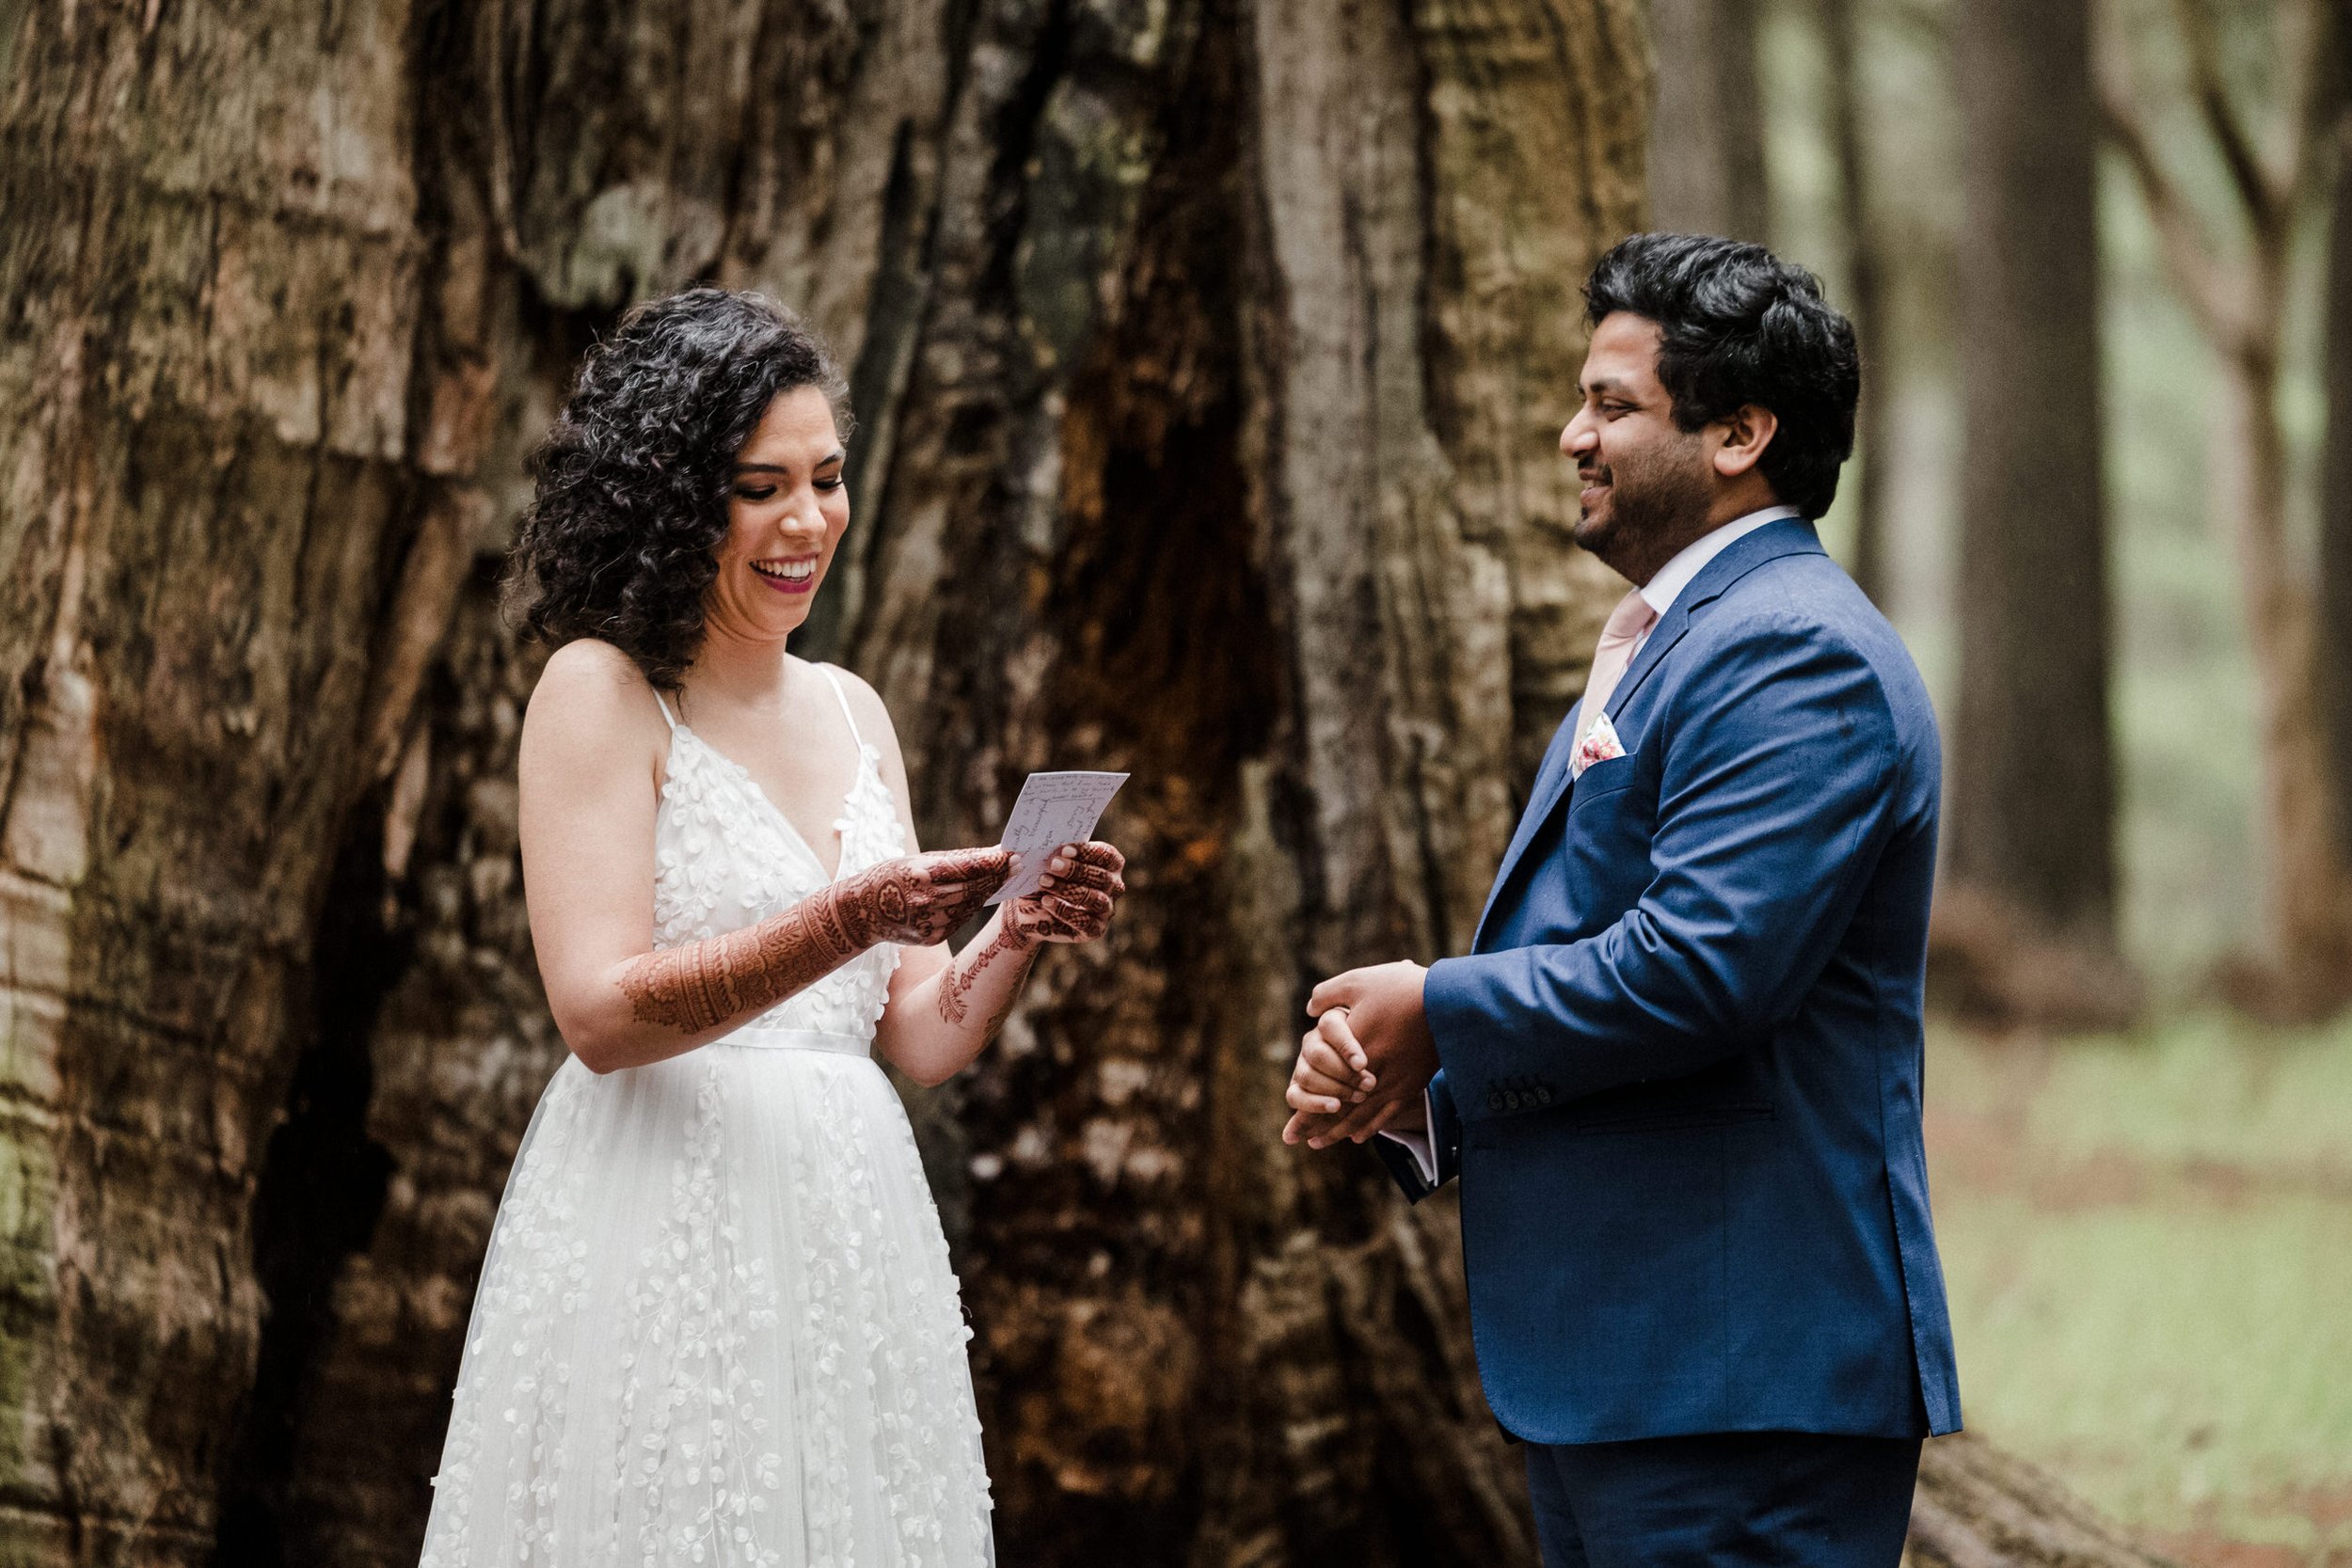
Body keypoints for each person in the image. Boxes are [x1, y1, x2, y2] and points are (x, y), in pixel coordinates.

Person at [417, 288, 1124, 1567]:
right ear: (677, 501)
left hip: (849, 1229)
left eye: (828, 478)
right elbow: (597, 1012)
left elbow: (916, 1033)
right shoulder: (599, 692)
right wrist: (845, 915)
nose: (809, 522)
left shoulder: (855, 712)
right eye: (762, 487)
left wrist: (1019, 923)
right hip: (659, 1213)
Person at [1281, 233, 1961, 1566]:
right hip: (1633, 1373)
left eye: (1612, 403)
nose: (1569, 435)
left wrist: (1436, 1006)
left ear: (1739, 434)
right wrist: (1420, 1080)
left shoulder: (1792, 653)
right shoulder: (1685, 640)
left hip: (1737, 1383)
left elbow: (1699, 971)